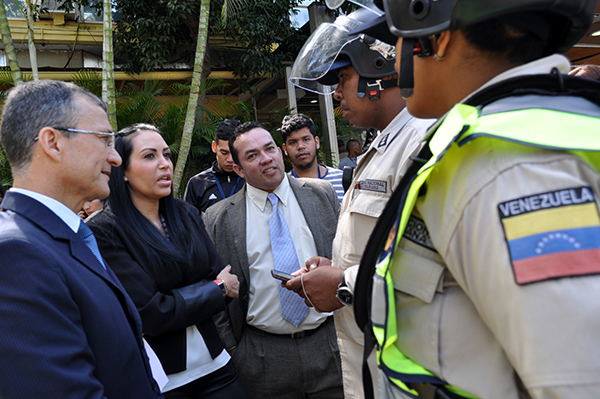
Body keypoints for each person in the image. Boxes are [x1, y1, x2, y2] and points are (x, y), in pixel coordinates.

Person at [352, 0, 600, 398]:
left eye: (395, 38)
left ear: (436, 34)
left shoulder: (509, 167)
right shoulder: (519, 136)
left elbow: (579, 383)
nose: (393, 59)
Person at [286, 7, 434, 399]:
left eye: (343, 78)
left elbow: (433, 270)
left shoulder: (420, 144)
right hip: (373, 359)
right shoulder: (383, 145)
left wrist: (342, 284)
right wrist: (336, 267)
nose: (336, 93)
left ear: (380, 71)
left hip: (409, 369)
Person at [0, 80, 163, 398]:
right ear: (53, 142)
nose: (115, 158)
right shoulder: (15, 255)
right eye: (104, 139)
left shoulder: (66, 235)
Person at [87, 123, 250, 399]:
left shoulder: (185, 214)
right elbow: (150, 313)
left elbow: (222, 273)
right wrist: (215, 289)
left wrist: (194, 294)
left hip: (217, 365)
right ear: (122, 170)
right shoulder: (105, 230)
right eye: (149, 156)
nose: (164, 164)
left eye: (166, 155)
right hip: (162, 378)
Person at [204, 121, 344, 399]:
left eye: (269, 149)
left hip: (329, 345)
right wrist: (234, 349)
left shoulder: (321, 194)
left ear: (281, 152)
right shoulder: (219, 218)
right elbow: (214, 287)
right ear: (238, 169)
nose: (266, 158)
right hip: (262, 357)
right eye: (252, 155)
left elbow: (348, 256)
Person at [280, 113, 345, 203]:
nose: (300, 146)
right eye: (293, 142)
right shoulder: (282, 188)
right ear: (285, 149)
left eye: (306, 139)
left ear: (317, 142)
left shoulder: (342, 179)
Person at [184, 119, 245, 214]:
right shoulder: (197, 183)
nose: (230, 159)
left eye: (234, 153)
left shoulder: (252, 179)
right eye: (224, 153)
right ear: (214, 146)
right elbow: (188, 223)